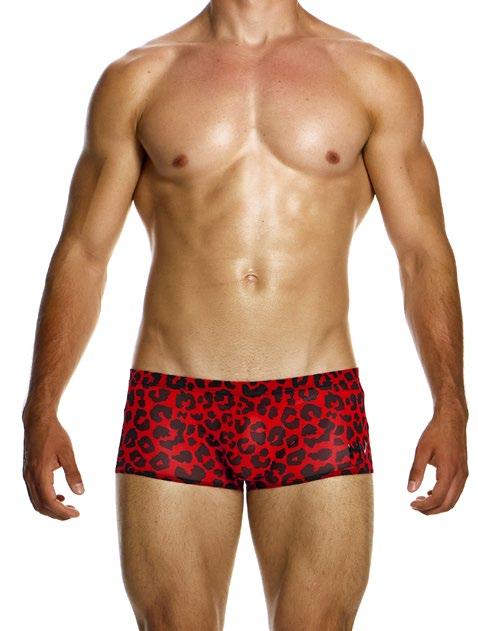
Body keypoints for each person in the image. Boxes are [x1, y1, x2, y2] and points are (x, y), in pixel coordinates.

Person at [22, 1, 469, 629]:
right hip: (175, 401)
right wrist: (41, 408)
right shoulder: (139, 78)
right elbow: (83, 254)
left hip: (316, 400)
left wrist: (451, 404)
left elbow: (423, 253)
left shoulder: (372, 77)